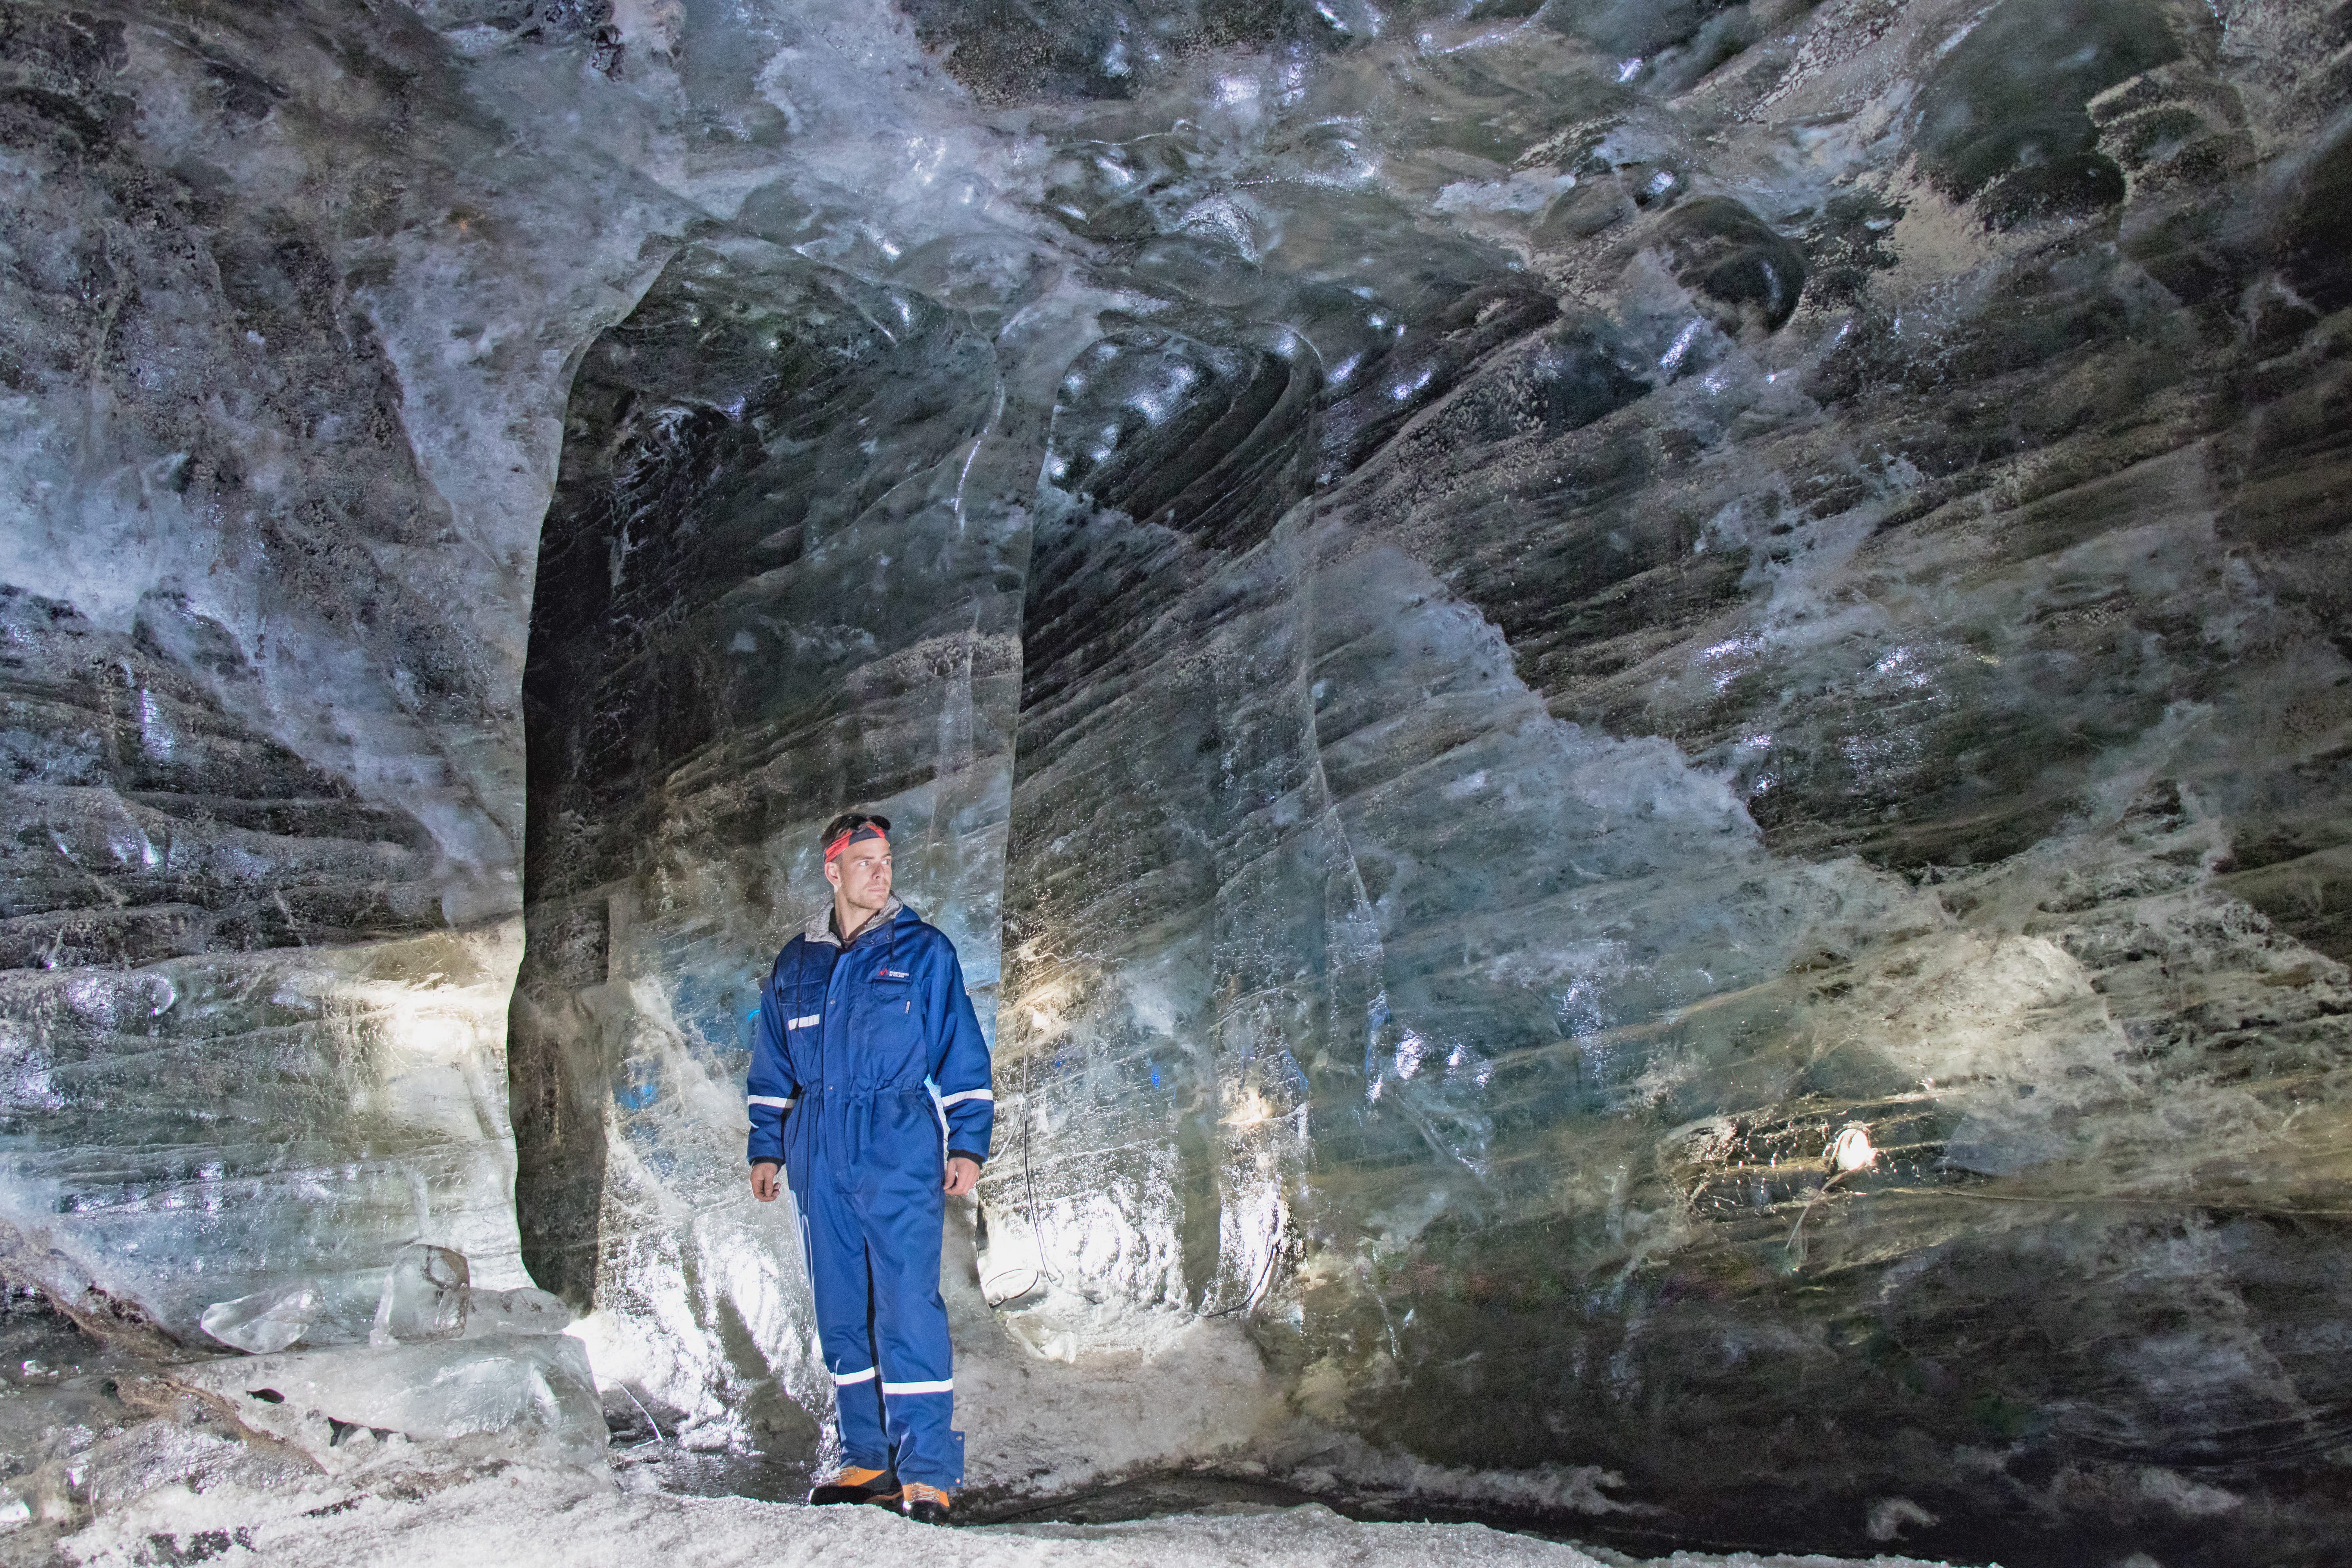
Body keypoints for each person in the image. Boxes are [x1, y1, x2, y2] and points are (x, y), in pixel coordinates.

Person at [746, 811, 994, 1525]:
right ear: (832, 870)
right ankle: (867, 1457)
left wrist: (967, 1142)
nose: (880, 872)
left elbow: (961, 1053)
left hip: (896, 1143)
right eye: (864, 861)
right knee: (842, 1307)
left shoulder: (923, 953)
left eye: (886, 860)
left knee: (909, 1305)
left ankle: (926, 1470)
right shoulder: (796, 964)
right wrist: (768, 1146)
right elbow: (773, 1067)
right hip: (818, 1148)